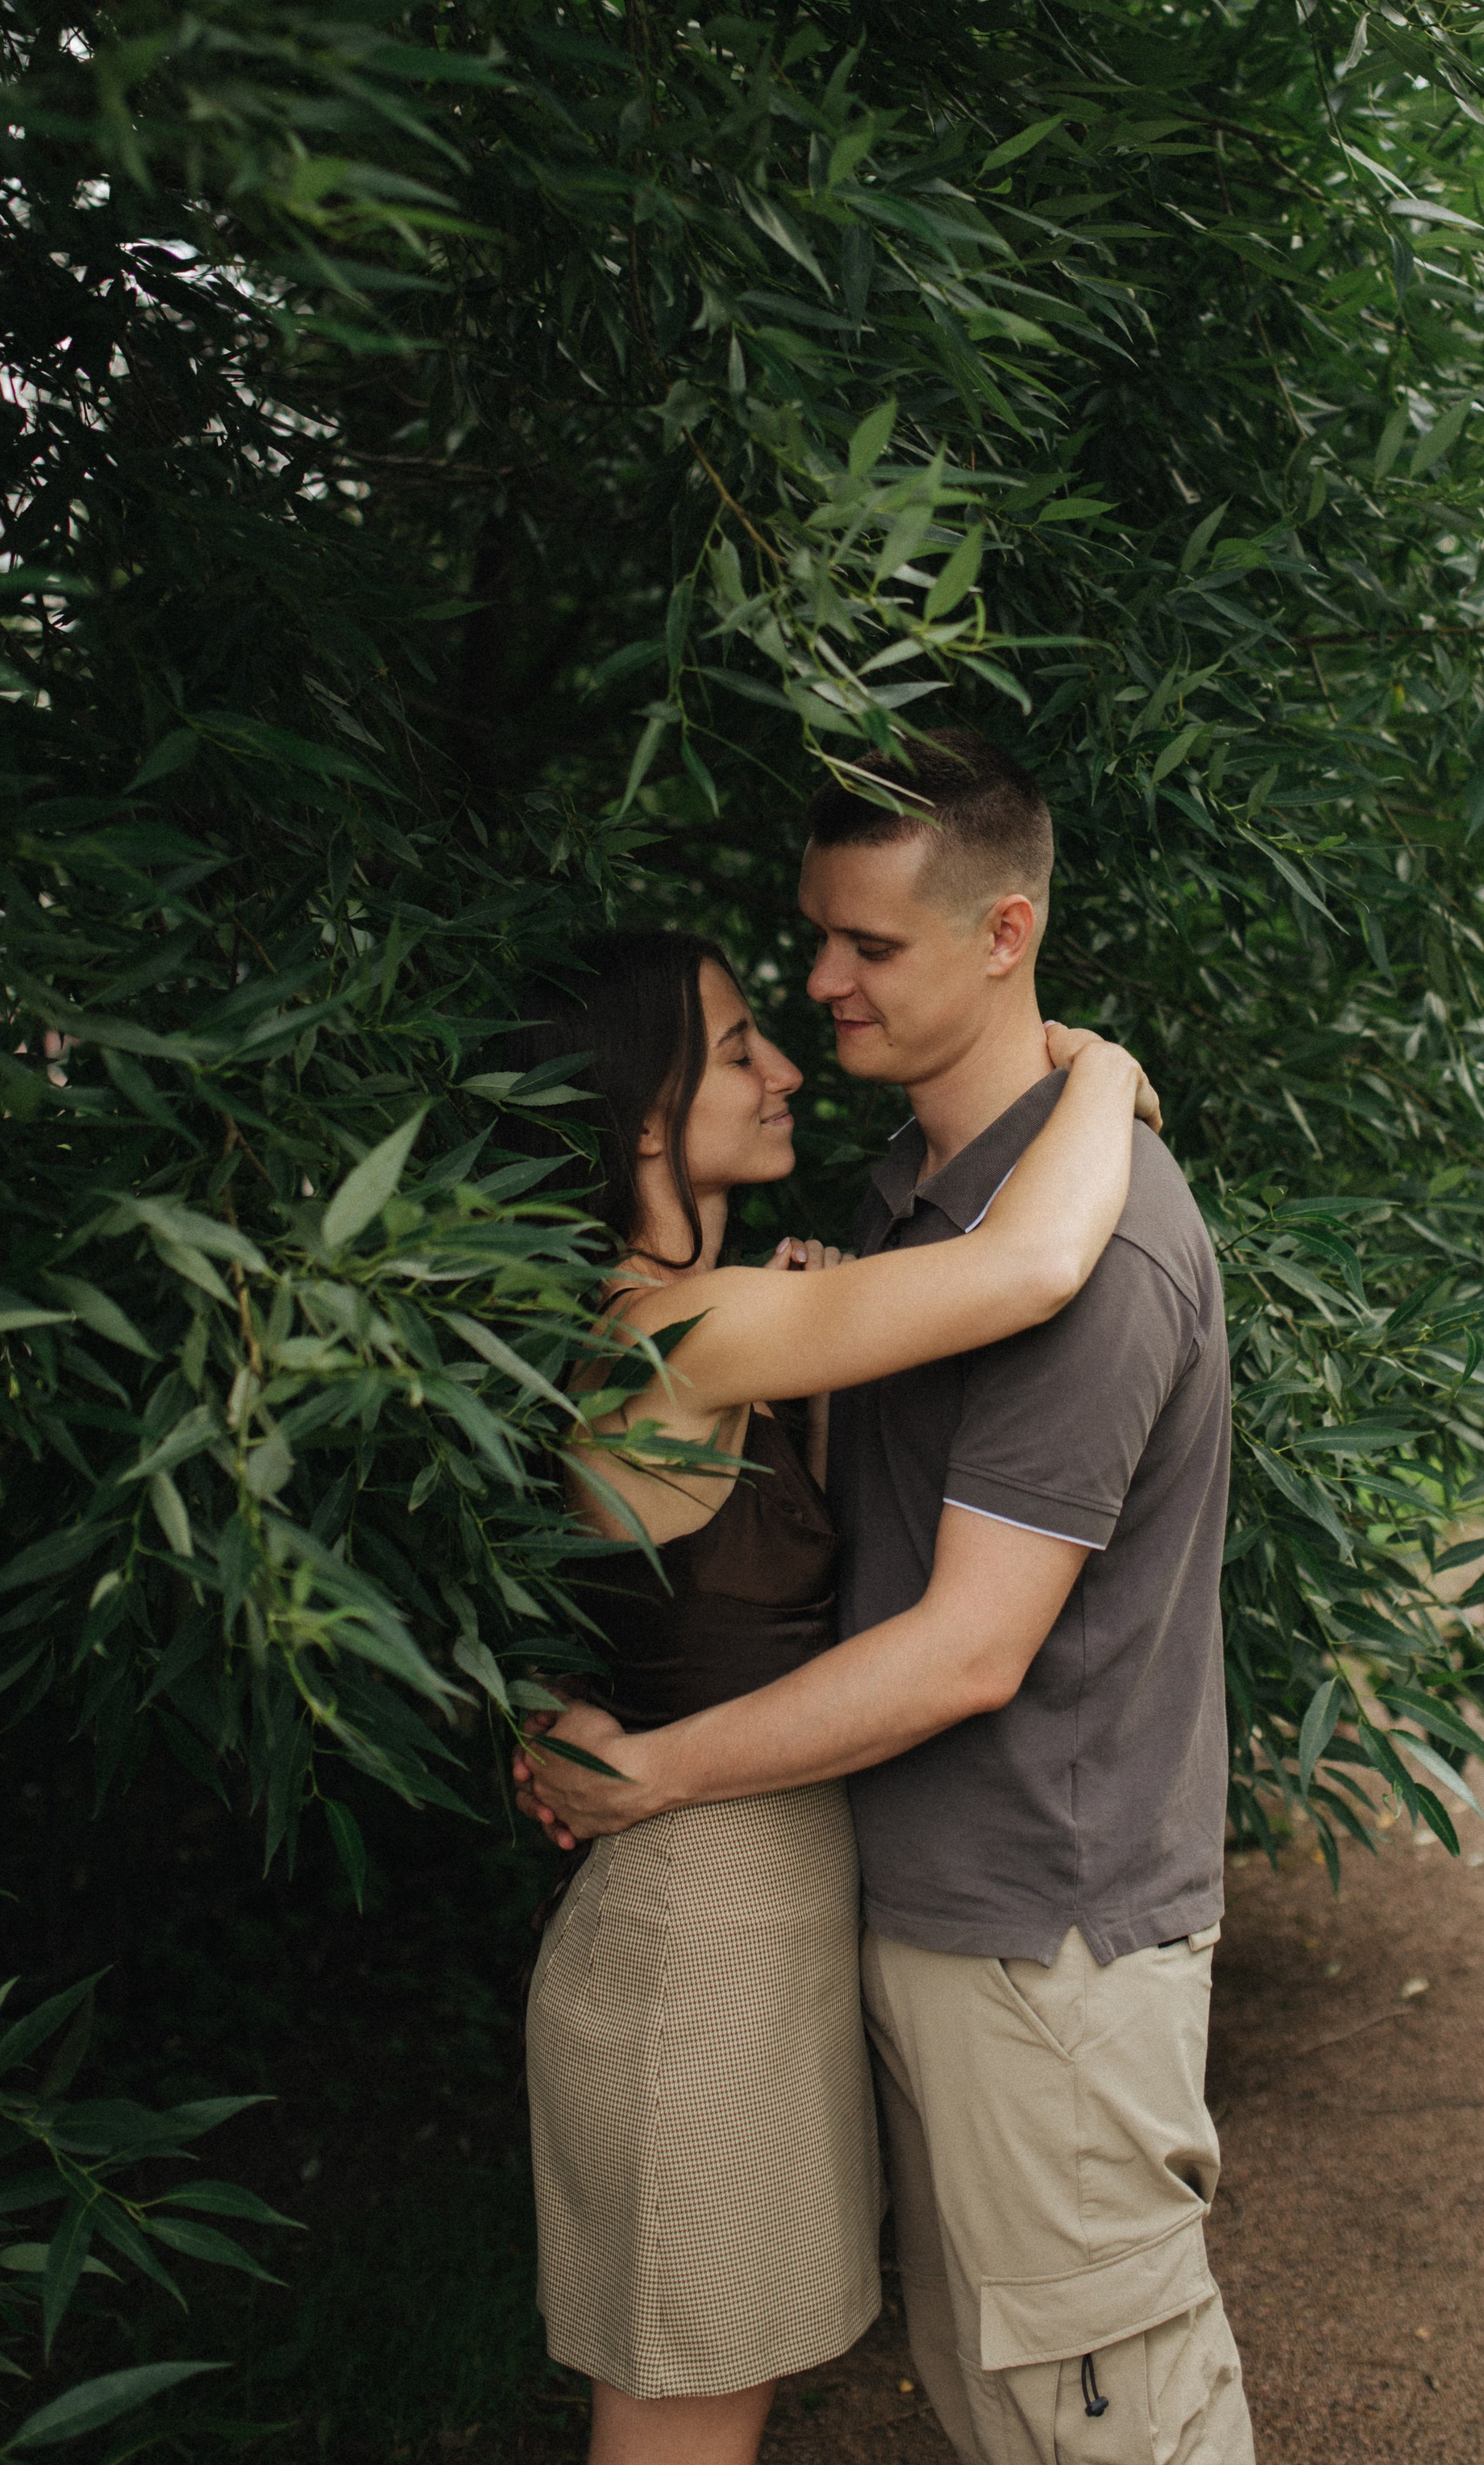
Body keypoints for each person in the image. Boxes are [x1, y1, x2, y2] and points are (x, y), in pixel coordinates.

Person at [519, 735, 1256, 2465]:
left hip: (1012, 1921)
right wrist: (1103, 1063)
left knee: (1089, 2411)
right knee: (948, 2399)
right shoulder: (823, 1259)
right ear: (638, 1121)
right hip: (771, 1914)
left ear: (1001, 934)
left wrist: (636, 1752)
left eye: (864, 950)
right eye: (799, 958)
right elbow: (996, 1285)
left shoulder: (1024, 1246)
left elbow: (962, 1633)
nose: (810, 1000)